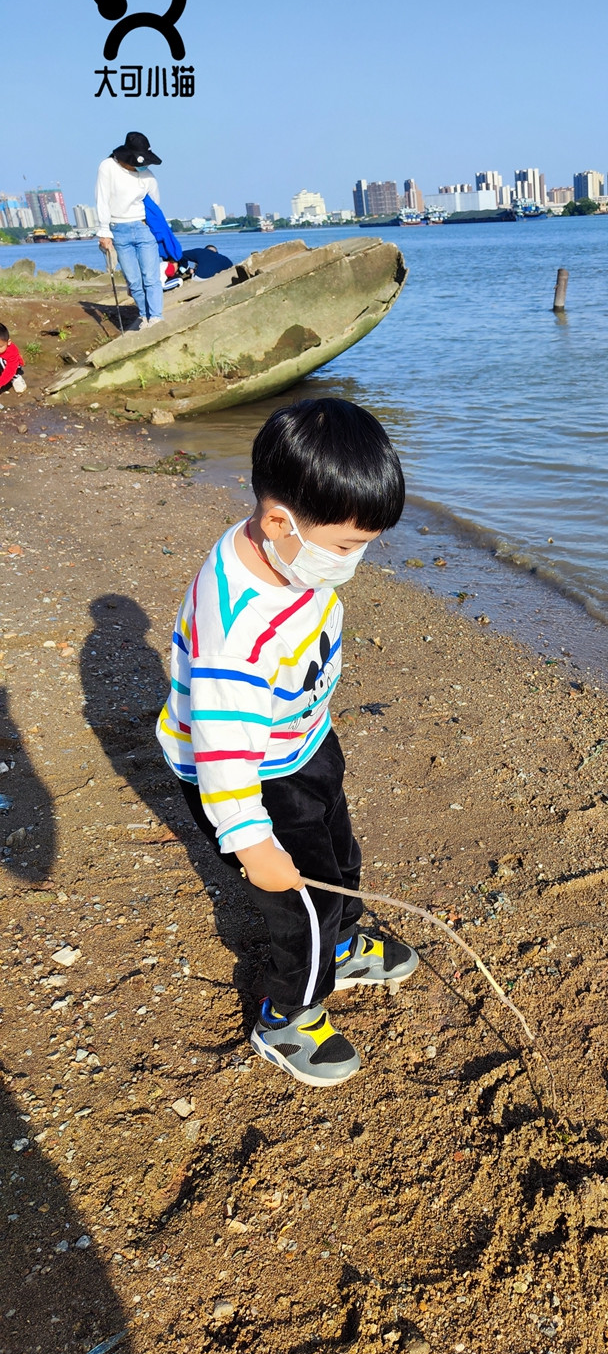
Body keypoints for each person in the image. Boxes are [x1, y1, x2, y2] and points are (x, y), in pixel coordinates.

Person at [156, 398, 418, 1087]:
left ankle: (342, 939)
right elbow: (220, 739)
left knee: (337, 850)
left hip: (299, 741)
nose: (356, 562)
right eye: (347, 546)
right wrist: (249, 838)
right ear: (279, 523)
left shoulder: (282, 553)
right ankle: (288, 1015)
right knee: (298, 897)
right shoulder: (236, 637)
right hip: (249, 775)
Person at [95, 131, 165, 330]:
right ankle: (144, 316)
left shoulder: (148, 175)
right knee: (134, 280)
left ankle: (156, 317)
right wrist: (104, 232)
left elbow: (155, 204)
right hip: (119, 229)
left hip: (144, 228)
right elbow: (102, 200)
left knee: (151, 277)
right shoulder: (107, 167)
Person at [0, 324, 26, 395]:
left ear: (8, 342)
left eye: (0, 347)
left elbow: (10, 370)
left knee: (5, 364)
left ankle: (16, 378)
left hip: (13, 367)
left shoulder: (11, 353)